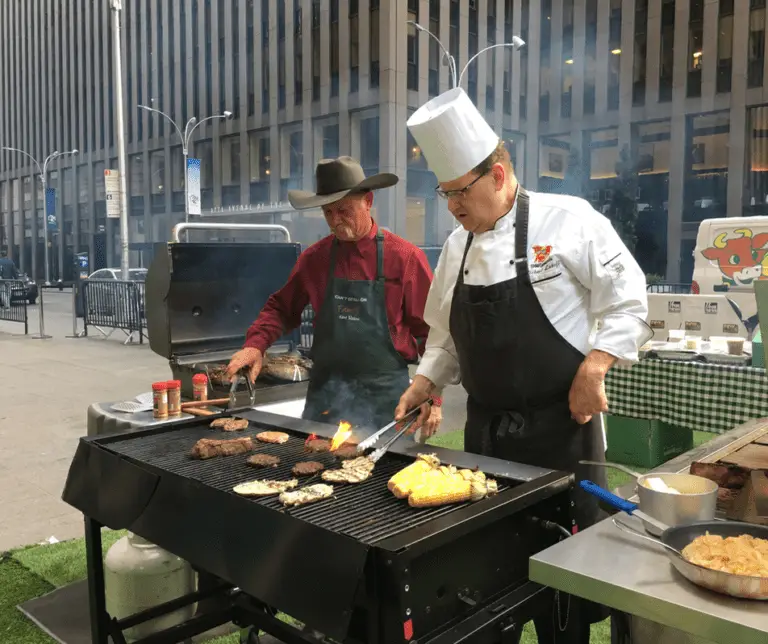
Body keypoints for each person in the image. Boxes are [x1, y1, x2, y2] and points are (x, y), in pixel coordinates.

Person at [395, 88, 652, 643]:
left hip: (563, 434)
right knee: (486, 586)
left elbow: (628, 301)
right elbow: (444, 336)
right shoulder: (455, 247)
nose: (453, 207)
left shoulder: (569, 221)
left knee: (567, 589)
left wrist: (596, 364)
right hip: (487, 441)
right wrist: (424, 381)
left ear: (499, 173)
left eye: (461, 192)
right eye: (444, 194)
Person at [227, 156, 442, 433]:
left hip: (387, 397)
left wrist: (433, 395)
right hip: (326, 396)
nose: (336, 221)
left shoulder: (404, 257)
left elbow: (433, 334)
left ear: (368, 201)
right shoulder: (315, 258)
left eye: (344, 210)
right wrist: (255, 346)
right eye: (328, 212)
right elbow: (281, 308)